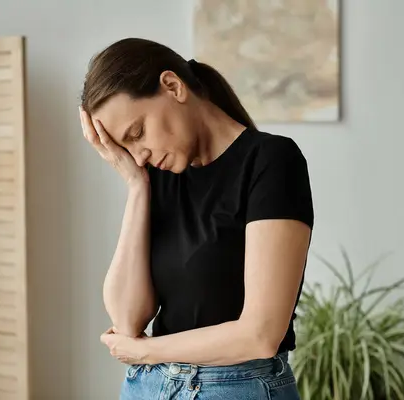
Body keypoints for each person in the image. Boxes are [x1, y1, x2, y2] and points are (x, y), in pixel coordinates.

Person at [78, 37, 314, 400]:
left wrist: (147, 351)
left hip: (236, 387)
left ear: (173, 86)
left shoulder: (271, 161)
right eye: (125, 148)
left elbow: (261, 335)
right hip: (147, 387)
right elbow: (127, 321)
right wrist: (137, 186)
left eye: (137, 133)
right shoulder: (156, 176)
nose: (138, 155)